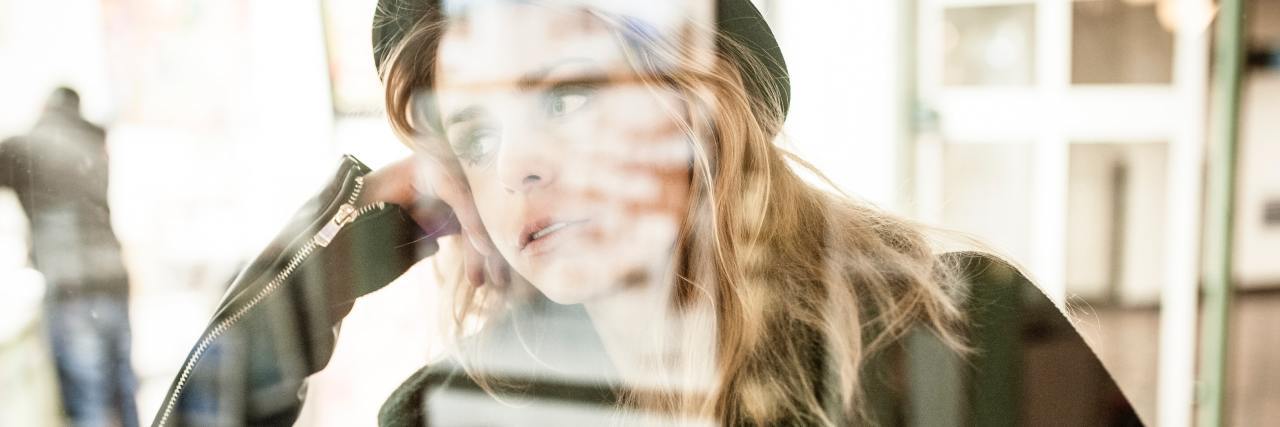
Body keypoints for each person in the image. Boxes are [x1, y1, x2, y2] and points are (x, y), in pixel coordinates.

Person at [156, 1, 1143, 425]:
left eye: (569, 98)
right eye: (477, 138)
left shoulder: (949, 332)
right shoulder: (459, 408)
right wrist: (334, 258)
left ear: (692, 102)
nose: (522, 165)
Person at [0, 87, 139, 427]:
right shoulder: (92, 144)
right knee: (123, 392)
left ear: (46, 107)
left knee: (90, 401)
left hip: (74, 287)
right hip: (114, 279)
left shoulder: (33, 145)